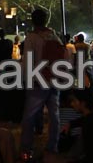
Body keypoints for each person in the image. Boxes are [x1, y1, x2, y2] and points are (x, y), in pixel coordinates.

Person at [20, 8, 64, 159]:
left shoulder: (32, 38)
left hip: (38, 82)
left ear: (33, 21)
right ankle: (53, 146)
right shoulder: (54, 36)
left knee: (29, 117)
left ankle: (26, 149)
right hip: (54, 80)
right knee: (54, 115)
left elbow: (27, 62)